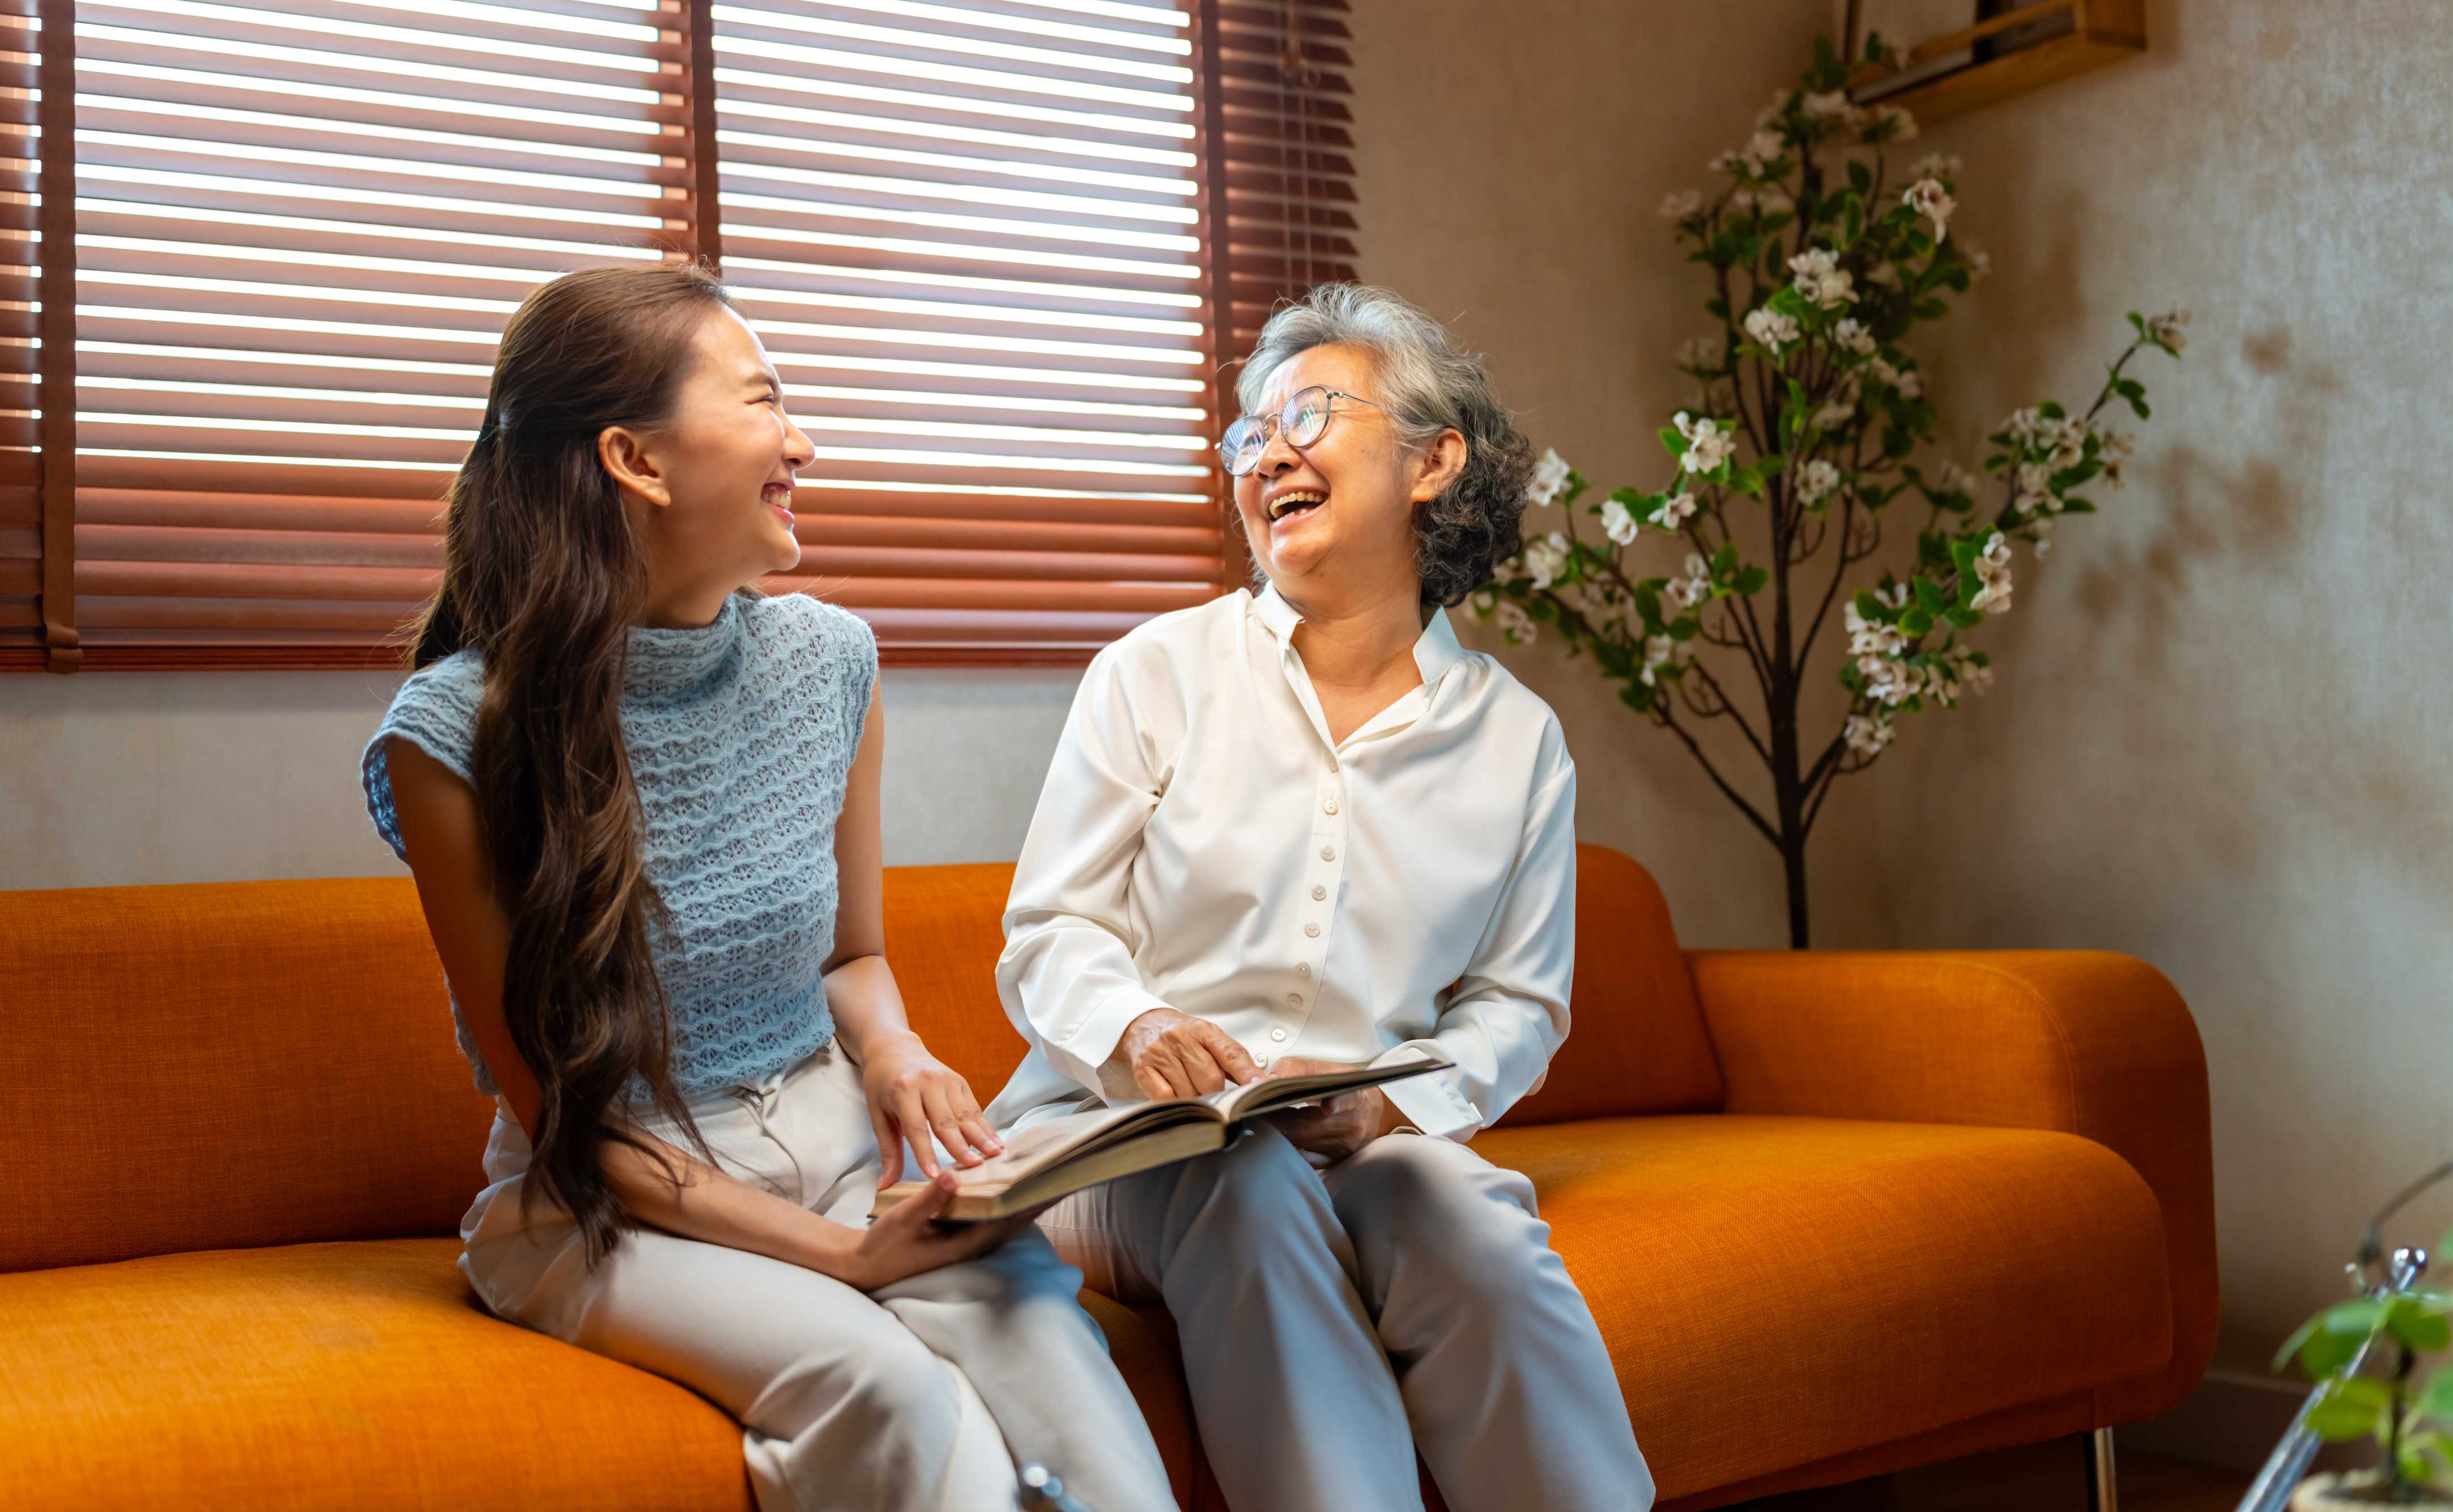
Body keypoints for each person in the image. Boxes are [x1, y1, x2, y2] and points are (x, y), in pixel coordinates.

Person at [363, 263, 1174, 1512]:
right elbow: (572, 1121)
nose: (801, 440)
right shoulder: (454, 738)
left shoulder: (829, 661)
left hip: (840, 1139)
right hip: (599, 1202)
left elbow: (850, 957)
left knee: (1050, 1354)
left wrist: (895, 1053)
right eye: (763, 402)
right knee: (891, 1390)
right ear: (635, 459)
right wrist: (848, 1256)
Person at [987, 283, 1655, 1512]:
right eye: (1247, 434)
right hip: (1117, 1142)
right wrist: (1134, 1027)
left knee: (1456, 1200)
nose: (1266, 453)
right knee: (1241, 1185)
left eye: (1306, 413)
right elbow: (1049, 932)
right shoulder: (1154, 674)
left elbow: (1515, 1004)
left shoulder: (1517, 742)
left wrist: (1398, 1115)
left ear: (1430, 460)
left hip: (1346, 1143)